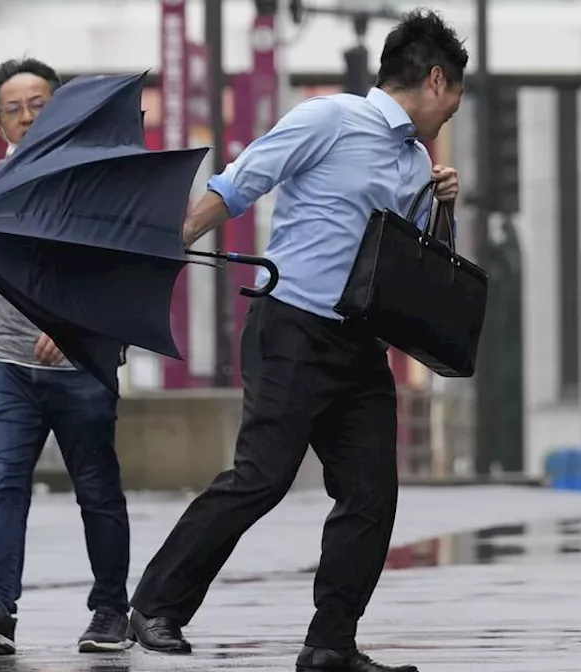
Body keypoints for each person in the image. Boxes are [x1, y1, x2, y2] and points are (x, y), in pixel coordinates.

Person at [126, 10, 466, 672]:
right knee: (262, 476)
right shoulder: (327, 119)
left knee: (371, 494)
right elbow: (238, 183)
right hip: (294, 328)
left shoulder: (418, 160)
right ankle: (156, 605)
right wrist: (163, 252)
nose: (452, 111)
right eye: (454, 96)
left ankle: (331, 643)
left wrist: (440, 202)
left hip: (362, 345)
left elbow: (411, 260)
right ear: (434, 80)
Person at [0, 58, 132, 655]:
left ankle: (110, 612)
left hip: (82, 367)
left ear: (60, 109)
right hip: (6, 366)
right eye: (14, 108)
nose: (27, 116)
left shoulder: (98, 181)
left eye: (39, 104)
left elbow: (126, 269)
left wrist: (79, 328)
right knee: (3, 486)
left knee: (97, 490)